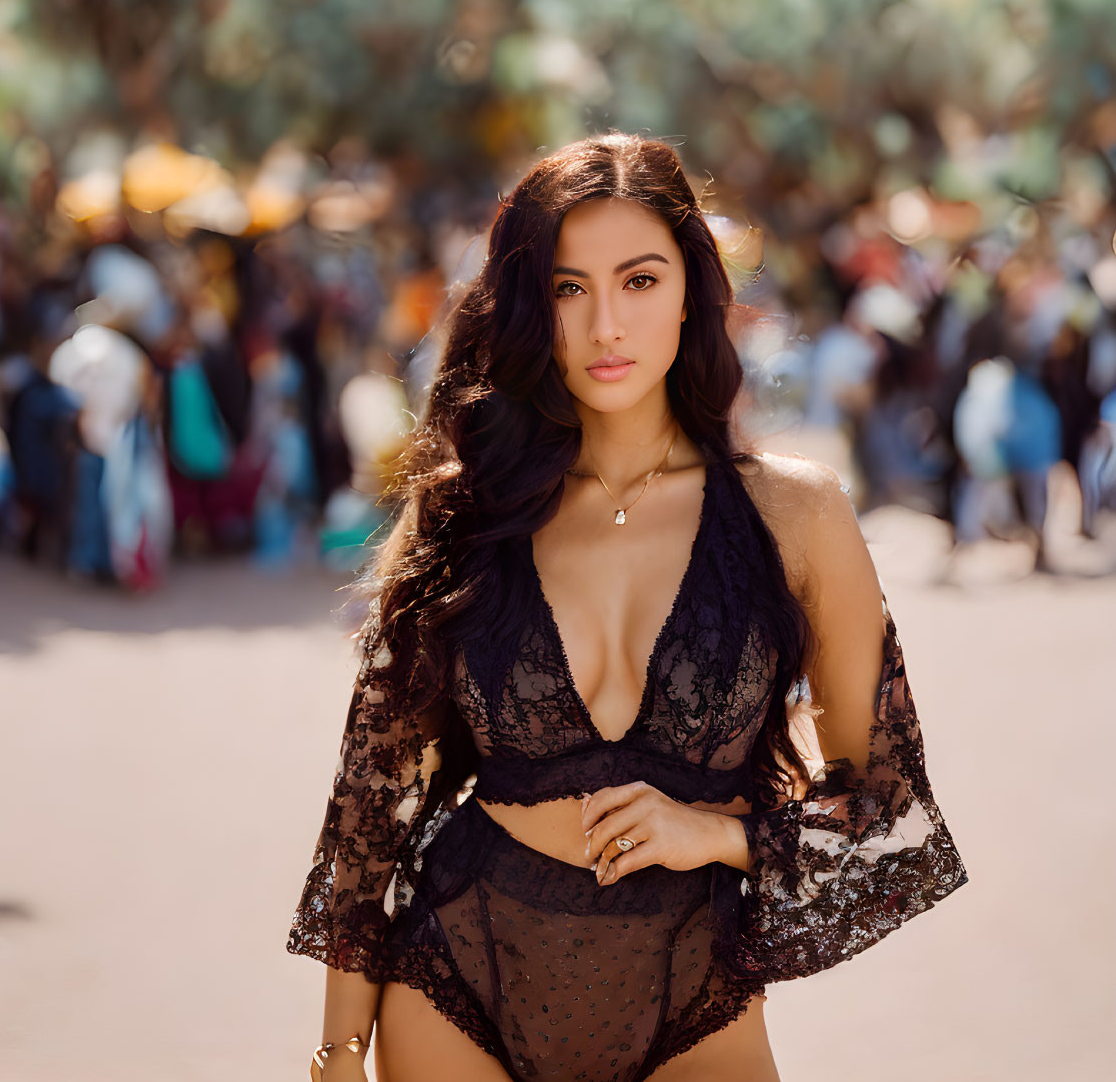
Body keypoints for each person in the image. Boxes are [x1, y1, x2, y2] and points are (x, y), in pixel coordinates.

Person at [288, 134, 969, 1082]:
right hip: (459, 978)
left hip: (693, 993)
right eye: (568, 289)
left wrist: (722, 833)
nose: (605, 324)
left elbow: (887, 806)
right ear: (529, 308)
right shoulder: (472, 508)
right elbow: (374, 792)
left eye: (638, 281)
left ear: (691, 289)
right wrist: (337, 1046)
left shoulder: (794, 515)